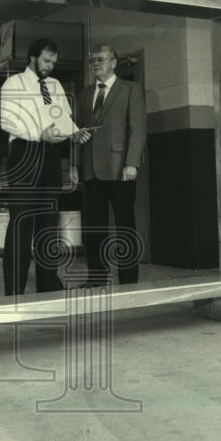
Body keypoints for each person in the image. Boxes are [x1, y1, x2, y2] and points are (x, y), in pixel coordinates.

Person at [0, 38, 90, 295]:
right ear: (33, 57)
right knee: (22, 222)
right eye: (46, 61)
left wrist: (75, 132)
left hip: (51, 155)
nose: (50, 66)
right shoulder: (13, 84)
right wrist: (39, 135)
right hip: (25, 153)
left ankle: (48, 283)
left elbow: (62, 116)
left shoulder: (55, 85)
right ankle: (14, 288)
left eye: (53, 62)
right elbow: (8, 122)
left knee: (48, 222)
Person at [70, 44, 147, 287]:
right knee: (94, 229)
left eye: (101, 59)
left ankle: (129, 280)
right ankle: (97, 278)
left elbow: (138, 129)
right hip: (91, 169)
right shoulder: (84, 95)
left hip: (120, 169)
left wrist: (132, 163)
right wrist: (74, 165)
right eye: (92, 60)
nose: (95, 63)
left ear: (114, 63)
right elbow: (76, 132)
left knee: (125, 225)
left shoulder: (130, 89)